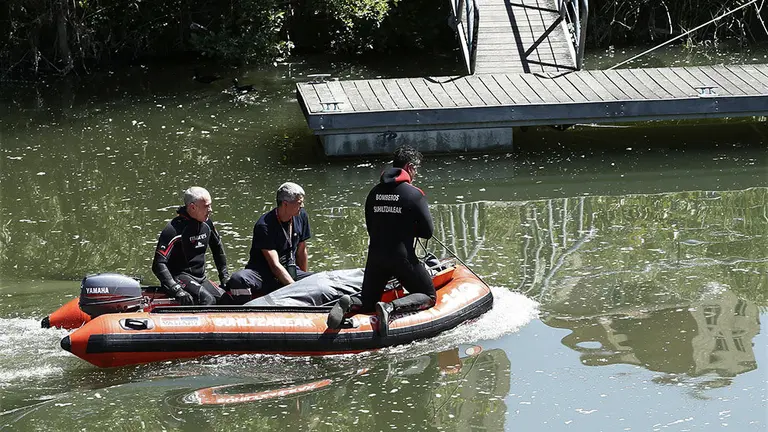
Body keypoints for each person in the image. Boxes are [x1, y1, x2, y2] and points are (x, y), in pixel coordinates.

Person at [327, 145, 435, 336]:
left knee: (368, 302)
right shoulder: (414, 194)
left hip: (376, 256)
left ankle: (349, 302)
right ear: (409, 168)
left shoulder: (374, 192)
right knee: (428, 296)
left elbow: (371, 226)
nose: (416, 173)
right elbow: (427, 232)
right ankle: (389, 307)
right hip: (402, 258)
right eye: (416, 169)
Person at [227, 182, 312, 303]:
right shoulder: (264, 225)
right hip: (263, 274)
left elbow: (301, 251)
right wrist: (296, 289)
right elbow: (274, 265)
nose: (302, 206)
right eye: (299, 203)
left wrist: (304, 281)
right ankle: (245, 310)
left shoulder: (301, 215)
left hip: (290, 269)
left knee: (321, 280)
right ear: (285, 204)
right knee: (238, 279)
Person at [152, 186, 230, 305]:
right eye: (206, 206)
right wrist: (175, 289)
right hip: (179, 277)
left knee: (226, 299)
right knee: (207, 300)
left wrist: (224, 277)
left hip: (200, 277)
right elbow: (158, 264)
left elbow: (218, 249)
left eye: (210, 205)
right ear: (193, 207)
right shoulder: (174, 229)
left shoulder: (207, 224)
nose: (210, 210)